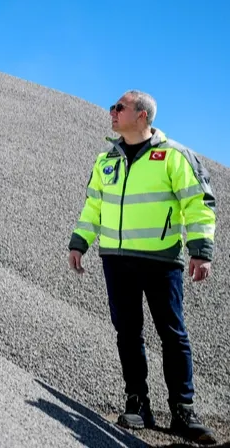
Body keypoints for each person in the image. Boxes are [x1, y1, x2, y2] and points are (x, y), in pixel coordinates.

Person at [68, 90, 217, 445]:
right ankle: (137, 402)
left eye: (119, 107)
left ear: (142, 116)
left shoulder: (174, 156)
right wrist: (79, 242)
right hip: (116, 259)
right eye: (112, 107)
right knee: (128, 333)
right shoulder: (106, 160)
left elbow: (198, 203)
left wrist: (200, 250)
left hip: (160, 260)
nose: (112, 112)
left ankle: (183, 409)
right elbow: (93, 206)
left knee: (172, 334)